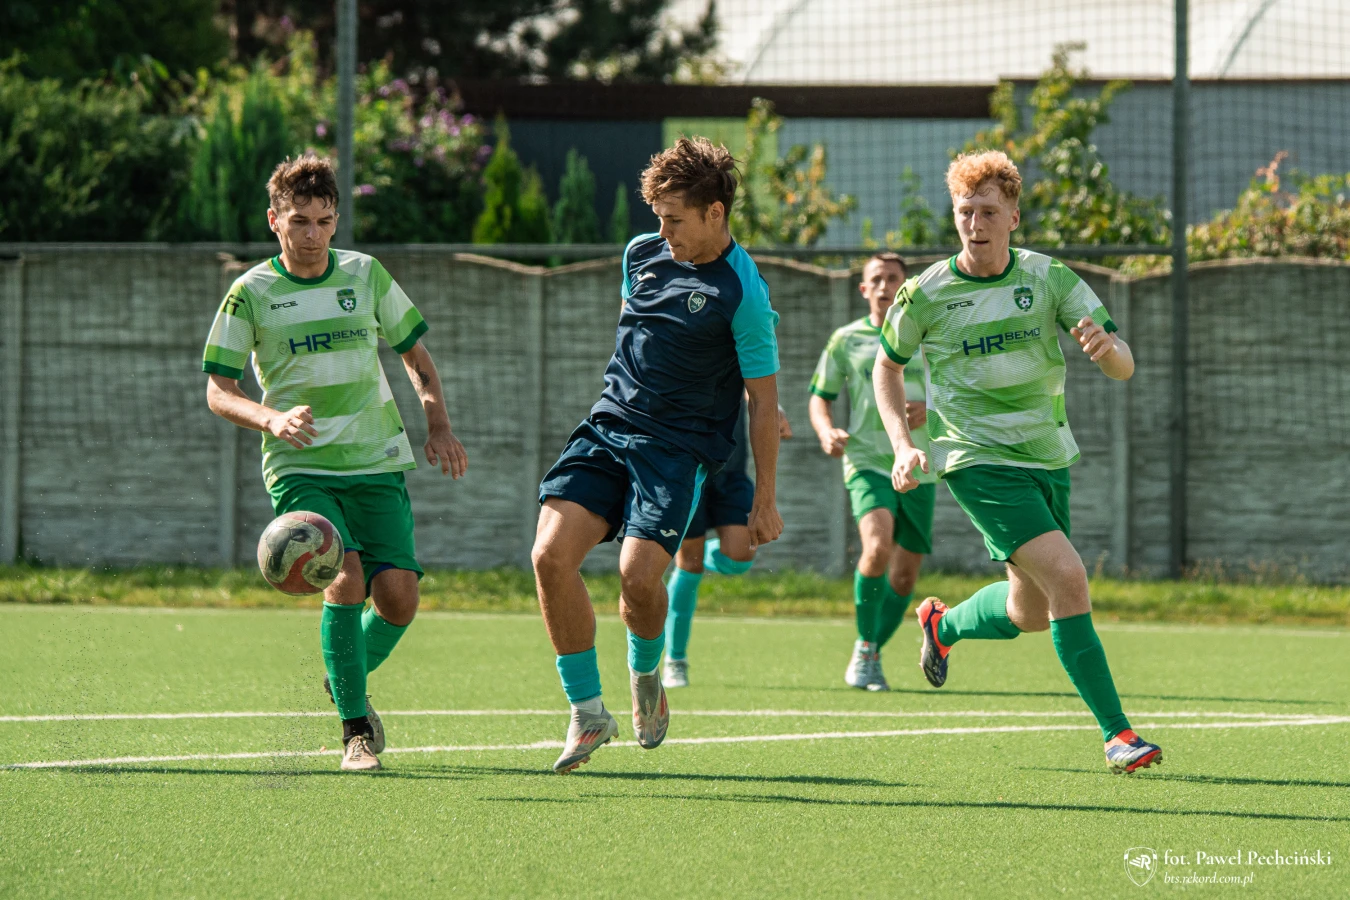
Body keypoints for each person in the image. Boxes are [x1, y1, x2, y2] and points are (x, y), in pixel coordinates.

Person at [873, 149, 1162, 774]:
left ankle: (943, 625)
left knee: (1029, 612)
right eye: (964, 211)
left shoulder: (1048, 278)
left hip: (1046, 457)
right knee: (1070, 578)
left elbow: (1124, 365)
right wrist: (901, 443)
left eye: (987, 211)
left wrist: (1107, 351)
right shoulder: (926, 293)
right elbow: (887, 366)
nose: (974, 223)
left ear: (1013, 217)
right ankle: (1118, 734)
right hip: (974, 459)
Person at [202, 156, 467, 773]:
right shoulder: (250, 293)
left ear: (336, 220)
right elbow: (218, 390)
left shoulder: (365, 274)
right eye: (299, 221)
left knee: (399, 600)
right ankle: (355, 731)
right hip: (301, 466)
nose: (312, 235)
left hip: (376, 459)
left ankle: (344, 675)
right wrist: (270, 419)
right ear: (274, 221)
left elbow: (415, 358)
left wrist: (439, 426)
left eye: (324, 222)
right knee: (344, 576)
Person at [532, 137, 783, 773]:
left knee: (638, 578)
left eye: (674, 219)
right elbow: (637, 338)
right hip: (608, 427)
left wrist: (764, 500)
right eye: (658, 218)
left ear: (715, 213)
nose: (662, 232)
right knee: (549, 556)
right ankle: (588, 712)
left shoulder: (745, 293)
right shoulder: (641, 254)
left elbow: (762, 401)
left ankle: (646, 676)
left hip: (677, 450)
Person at [809, 252, 934, 692]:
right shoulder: (846, 339)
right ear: (864, 290)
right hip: (867, 460)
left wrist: (931, 408)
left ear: (905, 288)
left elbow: (959, 390)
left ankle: (871, 651)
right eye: (876, 279)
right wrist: (826, 430)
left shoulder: (928, 336)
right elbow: (820, 397)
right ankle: (866, 649)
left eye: (893, 278)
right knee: (878, 547)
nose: (884, 286)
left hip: (922, 465)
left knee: (905, 576)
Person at [661, 400, 793, 689]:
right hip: (685, 468)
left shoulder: (737, 364)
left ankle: (699, 556)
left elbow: (752, 384)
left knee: (739, 555)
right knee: (689, 564)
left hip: (730, 471)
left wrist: (775, 407)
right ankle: (675, 659)